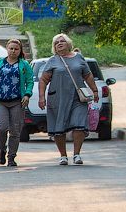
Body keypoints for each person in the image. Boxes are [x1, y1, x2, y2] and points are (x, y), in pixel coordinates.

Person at [38, 33, 101, 166]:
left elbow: (88, 75)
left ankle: (77, 154)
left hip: (78, 98)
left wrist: (94, 90)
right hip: (58, 99)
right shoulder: (53, 61)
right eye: (56, 43)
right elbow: (43, 80)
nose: (59, 43)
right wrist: (41, 97)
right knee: (58, 126)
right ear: (54, 47)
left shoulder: (78, 58)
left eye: (62, 41)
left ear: (69, 44)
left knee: (79, 124)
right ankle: (63, 156)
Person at [0, 39, 34, 167]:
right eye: (11, 48)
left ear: (20, 50)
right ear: (7, 49)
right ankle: (2, 149)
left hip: (17, 102)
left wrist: (27, 94)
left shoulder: (24, 65)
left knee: (15, 131)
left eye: (16, 49)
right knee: (1, 128)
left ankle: (11, 157)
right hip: (0, 101)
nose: (13, 51)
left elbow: (30, 81)